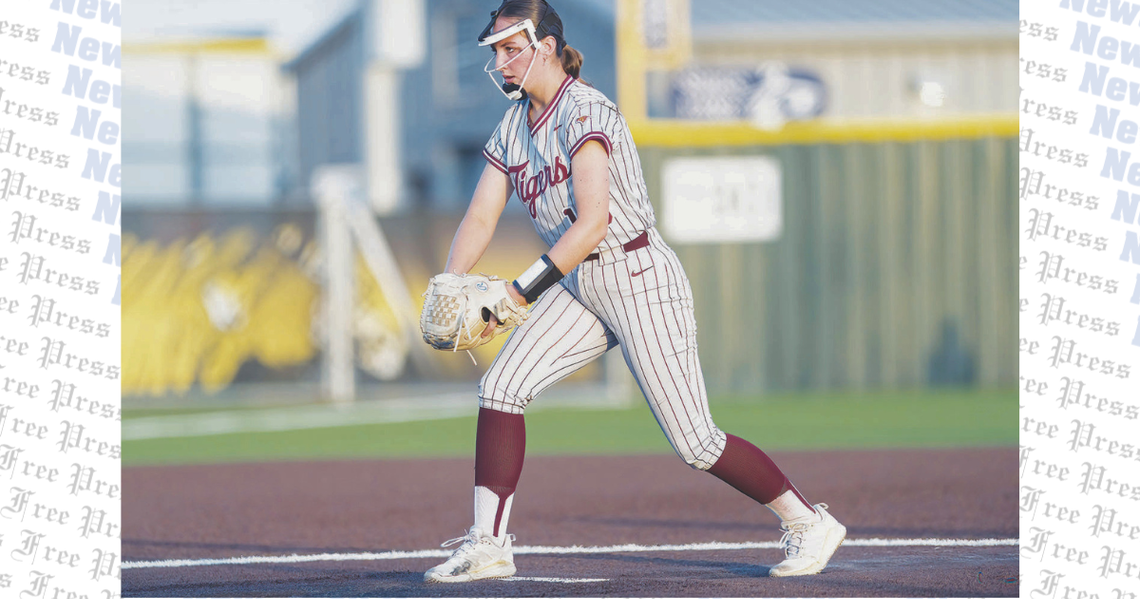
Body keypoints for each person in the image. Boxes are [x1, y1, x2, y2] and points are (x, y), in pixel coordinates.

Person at [424, 0, 845, 582]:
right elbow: (480, 215)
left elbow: (593, 224)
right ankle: (489, 545)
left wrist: (518, 294)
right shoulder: (512, 126)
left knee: (696, 443)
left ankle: (809, 522)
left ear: (546, 47)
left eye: (510, 48)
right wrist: (450, 280)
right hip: (581, 283)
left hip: (639, 276)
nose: (500, 62)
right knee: (500, 388)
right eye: (496, 51)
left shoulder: (584, 109)